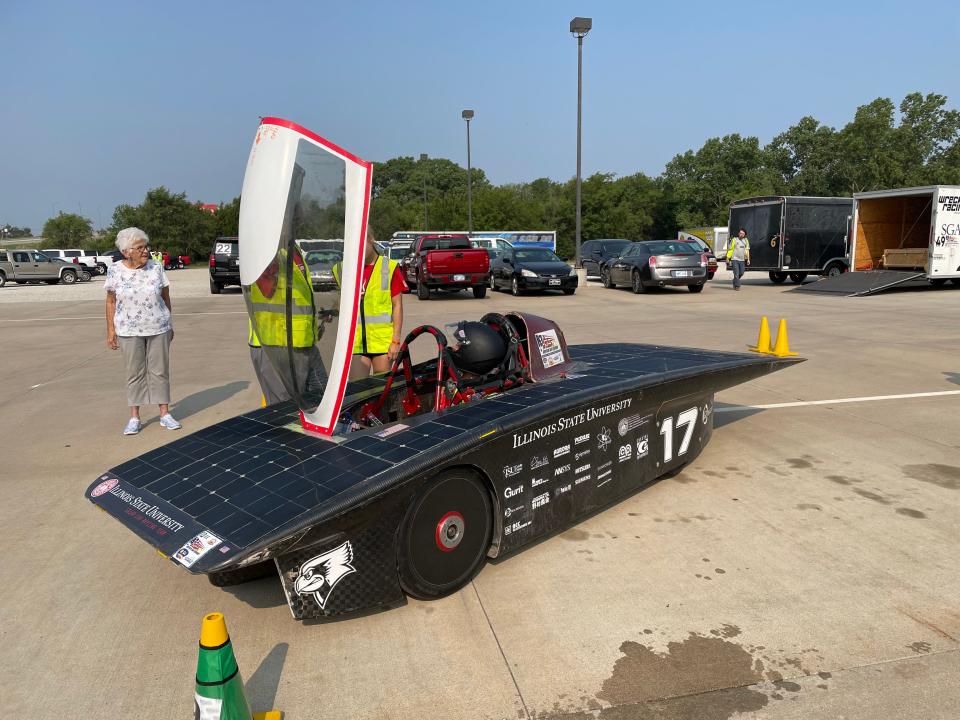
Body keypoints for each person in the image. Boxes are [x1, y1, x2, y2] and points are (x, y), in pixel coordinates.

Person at [105, 227, 181, 435]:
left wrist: (170, 323)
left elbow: (166, 298)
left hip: (158, 327)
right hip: (128, 330)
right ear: (126, 251)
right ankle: (134, 417)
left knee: (160, 371)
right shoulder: (115, 270)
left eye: (146, 246)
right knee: (134, 373)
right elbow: (111, 302)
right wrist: (111, 331)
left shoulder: (156, 268)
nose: (146, 251)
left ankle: (164, 413)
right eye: (140, 248)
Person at [247, 249, 324, 405]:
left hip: (303, 342)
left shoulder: (291, 248)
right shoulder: (267, 247)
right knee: (285, 410)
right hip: (275, 345)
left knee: (322, 399)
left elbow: (297, 297)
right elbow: (267, 288)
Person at [340, 229, 407, 380]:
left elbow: (397, 306)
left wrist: (395, 341)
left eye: (360, 244)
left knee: (381, 391)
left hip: (382, 343)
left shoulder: (388, 267)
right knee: (357, 391)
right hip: (356, 342)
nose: (357, 250)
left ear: (371, 239)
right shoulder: (348, 269)